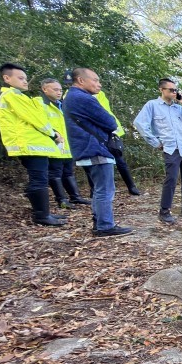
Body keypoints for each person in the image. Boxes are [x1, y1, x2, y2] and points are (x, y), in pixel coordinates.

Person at [63, 68, 134, 237]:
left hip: (86, 148)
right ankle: (105, 226)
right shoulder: (82, 98)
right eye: (95, 80)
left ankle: (99, 223)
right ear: (81, 80)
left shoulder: (71, 97)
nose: (99, 84)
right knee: (104, 189)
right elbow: (110, 122)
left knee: (97, 189)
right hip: (95, 148)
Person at [0, 63, 67, 227]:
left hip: (31, 143)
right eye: (20, 78)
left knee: (40, 178)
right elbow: (36, 119)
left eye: (26, 79)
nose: (25, 82)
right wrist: (53, 133)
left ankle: (44, 212)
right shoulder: (12, 96)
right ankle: (41, 215)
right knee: (39, 179)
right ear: (7, 78)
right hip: (28, 144)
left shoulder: (17, 96)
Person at [133, 78, 182, 225]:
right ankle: (164, 211)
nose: (174, 92)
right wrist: (155, 142)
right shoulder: (152, 105)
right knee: (171, 179)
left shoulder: (179, 108)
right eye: (171, 90)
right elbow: (139, 123)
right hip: (171, 149)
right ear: (161, 90)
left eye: (175, 90)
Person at [40, 78, 91, 208]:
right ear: (45, 89)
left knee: (68, 172)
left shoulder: (62, 104)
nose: (59, 92)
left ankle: (75, 197)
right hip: (53, 143)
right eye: (55, 89)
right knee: (55, 173)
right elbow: (40, 123)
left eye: (60, 90)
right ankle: (62, 200)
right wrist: (53, 135)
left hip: (66, 145)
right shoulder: (41, 104)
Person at [97, 88, 142, 196]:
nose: (98, 85)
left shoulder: (100, 93)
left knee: (120, 161)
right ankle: (94, 189)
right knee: (97, 162)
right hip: (95, 133)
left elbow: (106, 111)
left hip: (111, 132)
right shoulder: (74, 96)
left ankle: (131, 186)